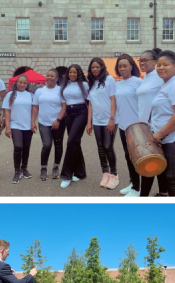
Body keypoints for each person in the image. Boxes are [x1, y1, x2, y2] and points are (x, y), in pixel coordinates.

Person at [136, 48, 169, 197]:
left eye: (145, 60)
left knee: (148, 162)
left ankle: (144, 197)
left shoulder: (159, 75)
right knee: (156, 160)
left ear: (154, 62)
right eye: (140, 60)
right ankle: (163, 193)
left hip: (154, 127)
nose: (142, 62)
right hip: (145, 125)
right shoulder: (147, 77)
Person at [86, 57, 119, 189]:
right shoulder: (92, 82)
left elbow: (113, 100)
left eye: (97, 67)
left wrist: (112, 118)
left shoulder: (109, 80)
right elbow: (90, 104)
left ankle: (114, 175)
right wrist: (89, 122)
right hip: (97, 120)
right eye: (92, 67)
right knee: (100, 147)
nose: (94, 69)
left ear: (102, 67)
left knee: (108, 146)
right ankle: (105, 173)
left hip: (109, 119)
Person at [115, 54, 144, 197]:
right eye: (120, 66)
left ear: (132, 66)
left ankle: (137, 189)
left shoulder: (138, 82)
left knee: (137, 157)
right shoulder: (118, 84)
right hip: (123, 126)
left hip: (136, 126)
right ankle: (133, 183)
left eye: (125, 65)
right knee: (128, 156)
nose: (122, 68)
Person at [32, 69, 67, 180]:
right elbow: (35, 107)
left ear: (57, 78)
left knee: (58, 144)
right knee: (46, 144)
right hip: (44, 122)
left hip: (58, 122)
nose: (49, 77)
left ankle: (56, 166)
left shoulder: (60, 90)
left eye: (52, 76)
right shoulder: (39, 91)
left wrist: (58, 120)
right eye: (47, 75)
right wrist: (32, 121)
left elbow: (64, 106)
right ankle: (43, 168)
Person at [148, 50, 175, 196]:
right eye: (158, 65)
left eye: (165, 64)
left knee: (172, 179)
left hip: (171, 140)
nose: (161, 67)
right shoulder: (165, 85)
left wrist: (160, 133)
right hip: (163, 139)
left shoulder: (173, 85)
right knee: (164, 174)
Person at [60, 64, 89, 189]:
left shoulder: (85, 85)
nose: (72, 75)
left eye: (75, 73)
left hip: (81, 112)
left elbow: (90, 102)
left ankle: (67, 175)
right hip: (69, 114)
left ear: (79, 74)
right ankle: (80, 172)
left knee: (71, 141)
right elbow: (63, 103)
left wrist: (90, 121)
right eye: (70, 72)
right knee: (75, 142)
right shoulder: (64, 85)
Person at [3, 74, 35, 184]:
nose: (22, 84)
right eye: (20, 82)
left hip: (27, 126)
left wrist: (32, 123)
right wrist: (7, 127)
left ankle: (24, 169)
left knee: (26, 147)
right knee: (18, 146)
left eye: (24, 83)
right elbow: (7, 111)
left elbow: (34, 110)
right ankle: (17, 171)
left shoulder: (30, 95)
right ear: (16, 83)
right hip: (15, 124)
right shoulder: (10, 95)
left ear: (27, 84)